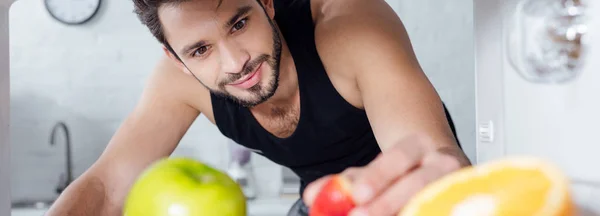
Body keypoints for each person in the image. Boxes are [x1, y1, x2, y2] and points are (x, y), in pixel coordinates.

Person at [45, 0, 471, 215]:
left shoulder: (350, 28)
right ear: (174, 58)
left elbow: (435, 154)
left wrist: (439, 184)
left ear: (266, 1)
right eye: (199, 50)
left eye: (239, 23)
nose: (235, 63)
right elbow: (107, 187)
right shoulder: (176, 81)